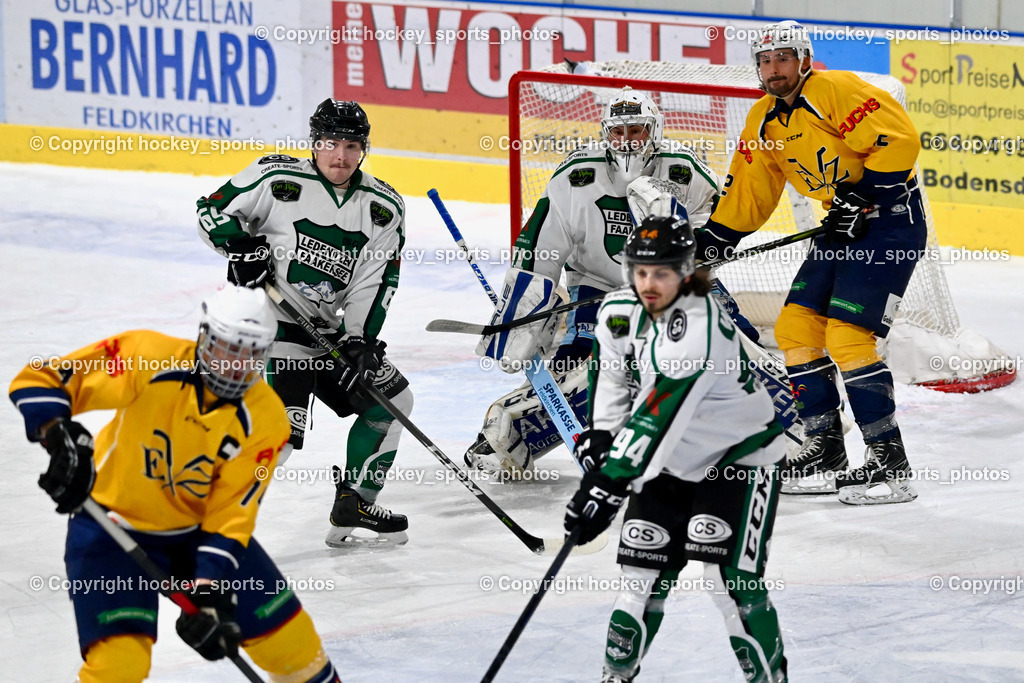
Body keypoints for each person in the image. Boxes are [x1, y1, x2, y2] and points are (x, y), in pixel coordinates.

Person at [9, 286, 339, 682]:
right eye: (228, 348)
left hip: (195, 536)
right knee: (118, 669)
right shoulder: (147, 357)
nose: (237, 366)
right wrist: (56, 433)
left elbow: (232, 514)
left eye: (251, 354)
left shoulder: (267, 418)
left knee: (295, 649)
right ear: (204, 336)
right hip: (109, 531)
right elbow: (42, 378)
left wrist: (210, 591)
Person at [695, 21, 924, 504]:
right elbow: (751, 189)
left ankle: (891, 462)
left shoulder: (833, 88)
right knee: (796, 327)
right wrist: (713, 239)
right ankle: (825, 450)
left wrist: (860, 196)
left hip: (890, 224)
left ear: (803, 60)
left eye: (783, 58)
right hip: (842, 226)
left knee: (847, 335)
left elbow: (897, 140)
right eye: (765, 60)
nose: (773, 69)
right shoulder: (762, 118)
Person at [563, 215, 788, 682]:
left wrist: (608, 483)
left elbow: (659, 414)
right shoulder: (618, 311)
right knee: (639, 585)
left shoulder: (700, 324)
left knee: (730, 584)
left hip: (737, 459)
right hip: (664, 458)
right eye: (640, 271)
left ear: (686, 272)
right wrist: (602, 438)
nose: (648, 283)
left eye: (662, 272)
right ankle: (614, 678)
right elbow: (609, 378)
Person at [469, 86, 734, 476]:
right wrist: (523, 319)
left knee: (732, 334)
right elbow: (540, 250)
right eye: (619, 131)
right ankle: (513, 435)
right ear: (605, 133)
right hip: (596, 285)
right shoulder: (574, 178)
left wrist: (703, 249)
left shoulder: (684, 170)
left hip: (672, 284)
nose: (627, 140)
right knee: (579, 362)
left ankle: (785, 417)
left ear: (654, 130)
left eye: (636, 130)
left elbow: (718, 226)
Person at [198, 98, 413, 545]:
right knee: (282, 439)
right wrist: (240, 247)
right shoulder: (276, 178)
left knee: (393, 402)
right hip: (271, 327)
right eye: (330, 143)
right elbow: (211, 209)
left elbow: (375, 279)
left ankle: (355, 501)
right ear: (313, 143)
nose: (340, 156)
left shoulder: (383, 207)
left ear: (364, 149)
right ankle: (211, 523)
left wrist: (360, 339)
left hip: (326, 332)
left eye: (352, 145)